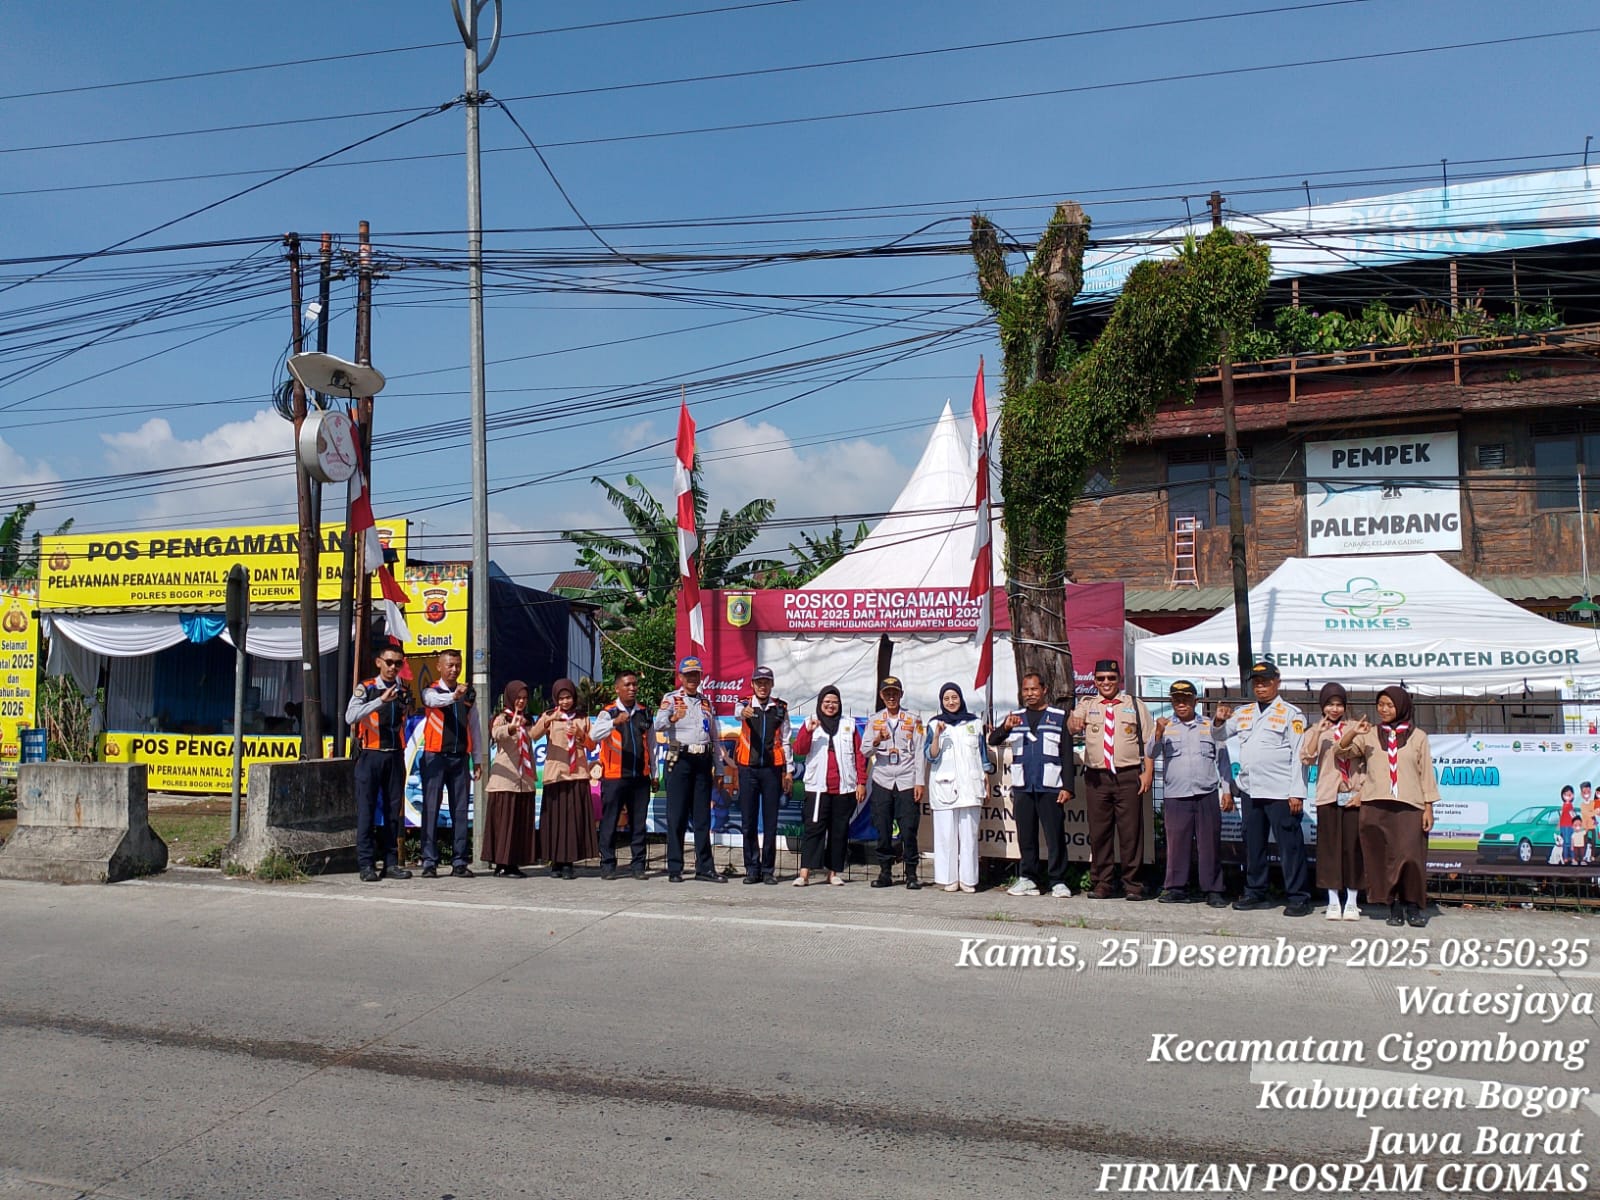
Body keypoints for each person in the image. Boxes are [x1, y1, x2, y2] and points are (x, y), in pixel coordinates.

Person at [1212, 661, 1312, 917]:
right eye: (1256, 682)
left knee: (1289, 846)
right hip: (1250, 789)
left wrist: (1297, 792)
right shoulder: (1244, 712)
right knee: (1253, 844)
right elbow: (1220, 735)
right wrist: (1219, 719)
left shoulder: (1292, 714)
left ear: (1277, 682)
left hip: (1281, 791)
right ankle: (1256, 891)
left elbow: (1299, 756)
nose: (1261, 687)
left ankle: (1298, 896)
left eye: (1266, 682)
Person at [1336, 685, 1437, 927]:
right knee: (1382, 858)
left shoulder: (1418, 736)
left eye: (1389, 705)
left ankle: (1412, 905)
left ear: (1402, 706)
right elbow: (1342, 752)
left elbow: (1426, 775)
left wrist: (1428, 807)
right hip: (1376, 805)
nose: (1384, 709)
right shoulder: (1370, 734)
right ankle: (1392, 906)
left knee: (1410, 857)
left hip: (1408, 805)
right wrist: (1353, 732)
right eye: (1380, 704)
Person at [1069, 659, 1153, 901]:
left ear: (1119, 680)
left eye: (1111, 678)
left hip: (1128, 774)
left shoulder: (1134, 705)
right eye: (1101, 678)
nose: (1106, 682)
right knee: (1100, 833)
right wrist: (1073, 723)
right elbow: (1072, 725)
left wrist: (1147, 772)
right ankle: (1103, 883)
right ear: (1094, 680)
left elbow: (1149, 742)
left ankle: (1133, 884)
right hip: (1097, 777)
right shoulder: (1088, 704)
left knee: (1130, 834)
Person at [989, 671, 1072, 898]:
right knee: (1026, 835)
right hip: (1023, 785)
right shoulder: (1015, 717)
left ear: (1044, 690)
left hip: (1050, 785)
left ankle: (1058, 880)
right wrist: (1005, 727)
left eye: (1034, 689)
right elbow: (993, 740)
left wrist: (1068, 787)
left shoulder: (1058, 716)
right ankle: (1028, 878)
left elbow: (1066, 753)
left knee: (1054, 835)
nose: (1030, 693)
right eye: (1026, 690)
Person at [1147, 679, 1229, 907]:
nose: (1181, 703)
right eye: (1176, 699)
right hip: (1176, 795)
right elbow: (1150, 753)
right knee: (1176, 844)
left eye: (1186, 699)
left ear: (1195, 700)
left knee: (1209, 844)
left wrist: (1227, 790)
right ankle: (1175, 888)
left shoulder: (1210, 726)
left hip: (1206, 793)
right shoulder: (1164, 726)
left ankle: (1213, 889)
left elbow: (1222, 759)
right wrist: (1158, 733)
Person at [345, 646, 413, 882]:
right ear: (378, 662)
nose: (393, 667)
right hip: (370, 756)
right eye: (389, 662)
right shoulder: (366, 688)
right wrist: (380, 702)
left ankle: (391, 863)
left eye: (398, 664)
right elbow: (350, 717)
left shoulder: (403, 690)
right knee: (366, 811)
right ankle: (366, 864)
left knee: (393, 813)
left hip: (394, 755)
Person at [1299, 682, 1365, 920]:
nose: (1335, 709)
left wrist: (1355, 732)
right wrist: (1317, 732)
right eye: (1330, 704)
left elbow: (1363, 757)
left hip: (1353, 793)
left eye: (1339, 705)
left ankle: (1352, 900)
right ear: (1322, 706)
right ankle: (1333, 900)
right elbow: (1306, 758)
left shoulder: (1356, 727)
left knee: (1353, 847)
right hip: (1328, 795)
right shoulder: (1315, 729)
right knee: (1329, 848)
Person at [654, 656, 723, 883]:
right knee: (677, 815)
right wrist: (674, 717)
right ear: (681, 677)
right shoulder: (672, 699)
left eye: (696, 674)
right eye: (688, 675)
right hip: (679, 758)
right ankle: (675, 868)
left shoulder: (705, 702)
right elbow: (658, 724)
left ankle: (705, 868)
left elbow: (714, 736)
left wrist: (720, 769)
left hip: (702, 759)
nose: (693, 679)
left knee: (702, 816)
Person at [418, 649, 484, 879]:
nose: (454, 669)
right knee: (431, 808)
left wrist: (477, 759)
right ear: (439, 666)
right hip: (434, 756)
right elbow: (431, 701)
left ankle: (459, 861)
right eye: (450, 665)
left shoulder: (468, 693)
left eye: (458, 665)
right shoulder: (431, 689)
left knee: (460, 810)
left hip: (459, 757)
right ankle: (429, 861)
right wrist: (454, 696)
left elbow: (474, 726)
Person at [793, 684, 866, 886]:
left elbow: (860, 756)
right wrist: (808, 731)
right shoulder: (810, 722)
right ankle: (805, 873)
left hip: (844, 787)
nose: (831, 706)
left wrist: (861, 782)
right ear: (820, 704)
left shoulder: (848, 725)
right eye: (827, 702)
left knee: (839, 831)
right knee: (813, 829)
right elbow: (799, 749)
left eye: (834, 702)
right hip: (817, 787)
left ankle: (833, 873)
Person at [529, 678, 598, 880]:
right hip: (556, 775)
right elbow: (533, 735)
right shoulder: (550, 716)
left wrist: (580, 734)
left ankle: (568, 862)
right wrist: (548, 720)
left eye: (568, 697)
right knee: (555, 821)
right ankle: (555, 861)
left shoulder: (583, 718)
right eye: (561, 698)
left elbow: (593, 745)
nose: (565, 702)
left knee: (572, 821)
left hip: (576, 775)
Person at [589, 669, 654, 880]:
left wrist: (654, 772)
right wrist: (613, 723)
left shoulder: (644, 712)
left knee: (638, 822)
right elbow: (593, 734)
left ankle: (638, 865)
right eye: (627, 685)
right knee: (610, 822)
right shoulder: (608, 712)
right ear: (617, 688)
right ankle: (607, 864)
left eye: (634, 684)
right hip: (614, 776)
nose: (632, 688)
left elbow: (651, 745)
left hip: (639, 776)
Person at [926, 682, 988, 893]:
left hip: (970, 786)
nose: (951, 702)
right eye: (946, 699)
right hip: (944, 786)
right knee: (946, 836)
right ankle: (948, 878)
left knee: (969, 835)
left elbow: (983, 755)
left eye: (954, 697)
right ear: (941, 702)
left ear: (961, 698)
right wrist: (937, 736)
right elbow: (931, 756)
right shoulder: (935, 724)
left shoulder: (975, 723)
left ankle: (969, 879)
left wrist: (985, 777)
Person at [865, 675, 926, 890]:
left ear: (901, 695)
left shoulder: (913, 719)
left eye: (895, 693)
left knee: (909, 828)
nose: (891, 697)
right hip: (883, 779)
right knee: (882, 828)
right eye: (887, 693)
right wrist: (876, 740)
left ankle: (911, 873)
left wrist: (920, 782)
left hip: (907, 780)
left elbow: (919, 751)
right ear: (881, 696)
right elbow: (864, 750)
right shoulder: (874, 720)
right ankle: (885, 872)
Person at [733, 666, 791, 885]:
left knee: (770, 822)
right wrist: (744, 712)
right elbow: (737, 712)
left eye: (767, 682)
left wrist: (789, 770)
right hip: (747, 768)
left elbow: (786, 740)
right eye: (759, 682)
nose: (763, 686)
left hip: (772, 769)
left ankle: (768, 870)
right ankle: (751, 868)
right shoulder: (744, 703)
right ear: (752, 685)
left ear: (772, 684)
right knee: (748, 821)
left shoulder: (780, 708)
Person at [484, 680, 539, 877]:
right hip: (505, 780)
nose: (521, 702)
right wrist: (511, 728)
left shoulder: (528, 720)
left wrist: (547, 721)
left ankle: (513, 863)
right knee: (504, 824)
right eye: (518, 698)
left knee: (518, 823)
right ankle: (502, 864)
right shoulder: (502, 718)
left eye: (524, 698)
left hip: (524, 780)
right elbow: (496, 734)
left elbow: (535, 733)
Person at [1557, 786, 1577, 867]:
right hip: (1564, 826)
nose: (1567, 796)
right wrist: (1559, 824)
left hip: (1569, 825)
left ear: (1572, 795)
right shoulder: (1565, 805)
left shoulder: (1569, 805)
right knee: (1565, 843)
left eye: (1569, 794)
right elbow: (1564, 815)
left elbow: (1572, 814)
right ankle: (1566, 858)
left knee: (1570, 842)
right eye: (1565, 794)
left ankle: (1571, 858)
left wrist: (1576, 822)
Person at [1581, 781, 1596, 866]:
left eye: (1588, 792)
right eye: (1584, 792)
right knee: (1585, 842)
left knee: (1593, 842)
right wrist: (1592, 812)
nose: (1586, 794)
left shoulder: (1592, 803)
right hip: (1585, 827)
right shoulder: (1582, 805)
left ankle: (1591, 856)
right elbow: (1587, 813)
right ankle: (1584, 857)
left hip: (1592, 826)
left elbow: (1594, 813)